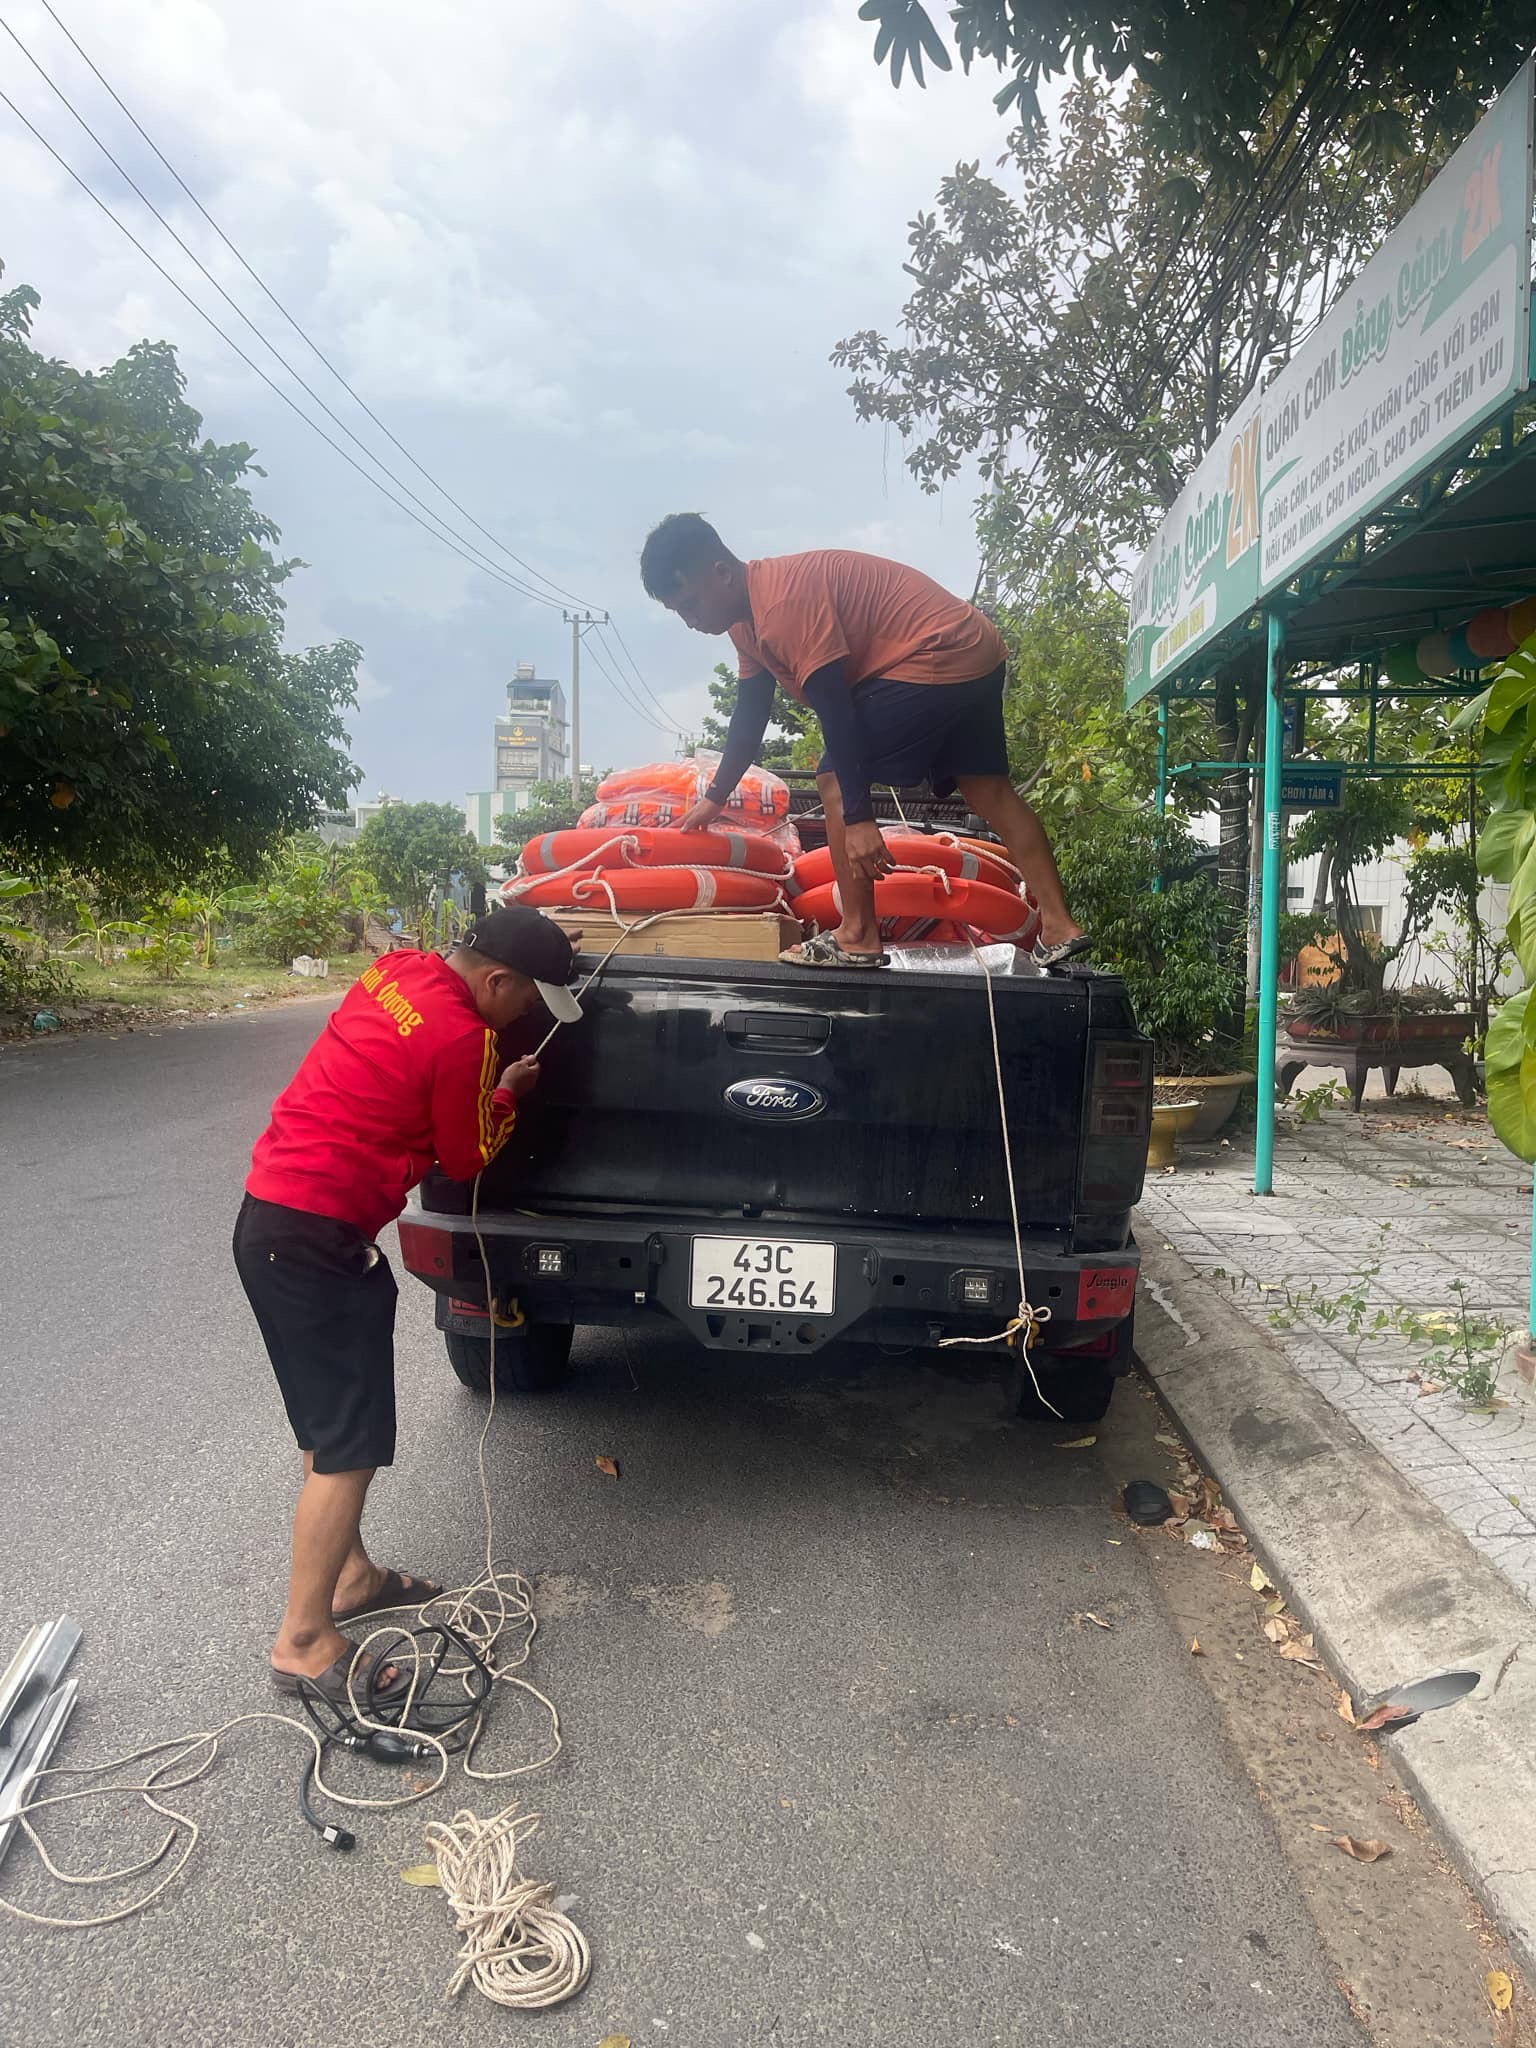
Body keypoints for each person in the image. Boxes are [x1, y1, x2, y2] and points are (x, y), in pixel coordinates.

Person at [233, 907, 582, 1704]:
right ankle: (304, 1640)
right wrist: (507, 1092)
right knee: (349, 1446)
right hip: (317, 1240)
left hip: (270, 1220)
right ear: (496, 979)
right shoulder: (466, 1038)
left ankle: (352, 1578)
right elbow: (466, 1154)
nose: (526, 1015)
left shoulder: (397, 972)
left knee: (328, 1428)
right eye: (525, 999)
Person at [639, 514, 1088, 969]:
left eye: (692, 604)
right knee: (988, 790)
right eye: (680, 612)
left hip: (935, 650)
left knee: (833, 776)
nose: (691, 621)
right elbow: (750, 713)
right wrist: (715, 797)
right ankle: (1060, 927)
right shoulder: (746, 625)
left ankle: (857, 933)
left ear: (721, 572)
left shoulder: (782, 604)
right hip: (974, 647)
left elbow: (837, 711)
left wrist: (858, 819)